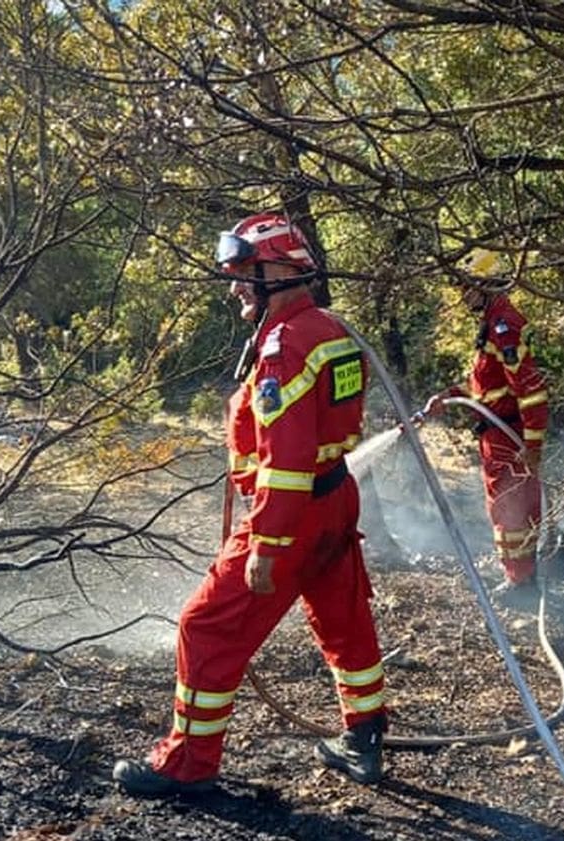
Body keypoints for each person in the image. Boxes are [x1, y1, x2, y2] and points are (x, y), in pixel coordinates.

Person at [113, 212, 388, 796]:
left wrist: (267, 542)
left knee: (205, 627)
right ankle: (364, 737)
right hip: (335, 498)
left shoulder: (285, 349)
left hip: (291, 514)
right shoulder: (329, 330)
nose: (235, 286)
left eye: (244, 273)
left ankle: (187, 765)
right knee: (342, 617)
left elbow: (286, 458)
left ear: (278, 272)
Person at [424, 248, 549, 602]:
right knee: (507, 506)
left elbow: (531, 391)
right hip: (497, 433)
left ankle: (521, 583)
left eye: (467, 287)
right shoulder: (493, 323)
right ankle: (520, 576)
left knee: (511, 508)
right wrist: (449, 396)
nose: (463, 295)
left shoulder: (504, 327)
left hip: (509, 436)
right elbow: (487, 384)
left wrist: (532, 444)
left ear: (485, 283)